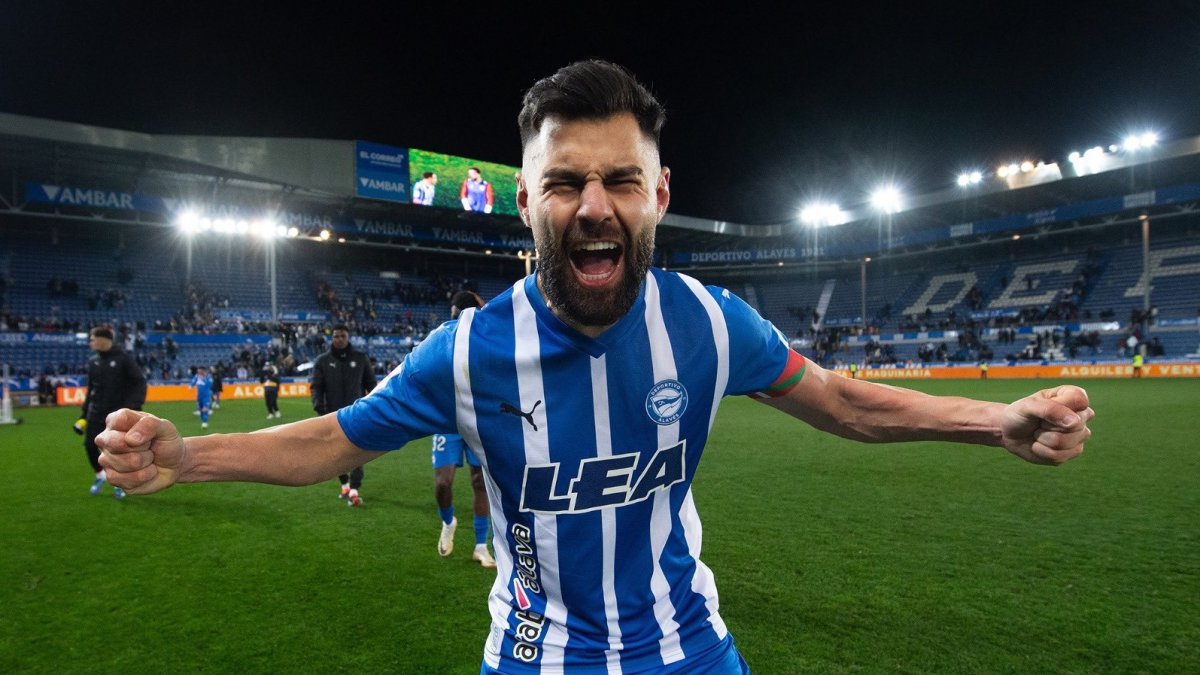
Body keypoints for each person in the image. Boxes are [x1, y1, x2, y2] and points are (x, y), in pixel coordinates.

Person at [98, 61, 1094, 674]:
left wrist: (993, 423)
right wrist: (189, 457)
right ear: (525, 201)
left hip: (691, 651)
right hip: (535, 657)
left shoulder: (708, 322)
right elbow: (329, 440)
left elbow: (840, 402)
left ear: (659, 193)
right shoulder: (471, 348)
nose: (593, 205)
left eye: (621, 179)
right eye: (564, 182)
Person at [432, 291, 495, 568]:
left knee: (480, 483)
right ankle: (449, 521)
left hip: (479, 421)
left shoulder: (489, 339)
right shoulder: (441, 337)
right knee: (442, 483)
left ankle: (481, 547)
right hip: (447, 422)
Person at [309, 324, 376, 507]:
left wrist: (372, 408)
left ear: (348, 337)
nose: (339, 339)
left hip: (357, 415)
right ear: (332, 338)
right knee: (335, 453)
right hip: (332, 415)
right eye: (336, 336)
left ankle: (354, 487)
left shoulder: (360, 358)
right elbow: (316, 387)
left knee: (357, 450)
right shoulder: (322, 361)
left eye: (343, 336)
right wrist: (319, 408)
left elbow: (372, 385)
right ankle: (345, 484)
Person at [78, 325, 145, 499]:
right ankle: (101, 475)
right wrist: (84, 414)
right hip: (96, 413)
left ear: (103, 340)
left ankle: (120, 484)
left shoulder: (123, 359)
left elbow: (139, 382)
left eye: (93, 339)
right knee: (90, 446)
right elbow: (90, 390)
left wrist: (132, 407)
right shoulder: (93, 361)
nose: (90, 342)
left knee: (116, 451)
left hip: (117, 415)